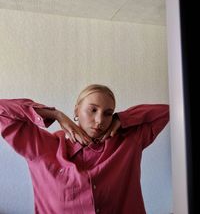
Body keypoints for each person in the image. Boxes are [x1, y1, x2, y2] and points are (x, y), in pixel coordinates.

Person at [0, 84, 169, 214]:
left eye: (108, 113)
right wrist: (56, 115)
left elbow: (167, 111)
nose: (99, 120)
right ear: (77, 110)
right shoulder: (43, 147)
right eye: (93, 110)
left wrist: (123, 119)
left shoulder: (128, 143)